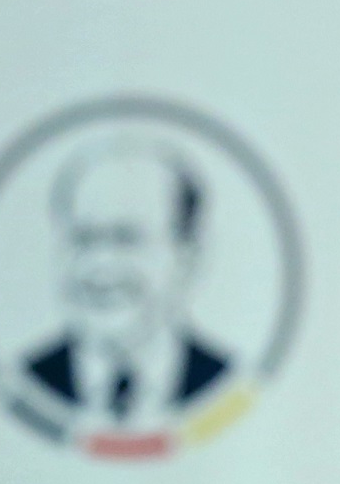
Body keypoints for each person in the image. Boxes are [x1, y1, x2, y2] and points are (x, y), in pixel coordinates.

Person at [16, 136, 239, 428]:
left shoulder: (226, 381)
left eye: (126, 239)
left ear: (187, 259)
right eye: (83, 239)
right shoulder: (26, 381)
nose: (100, 264)